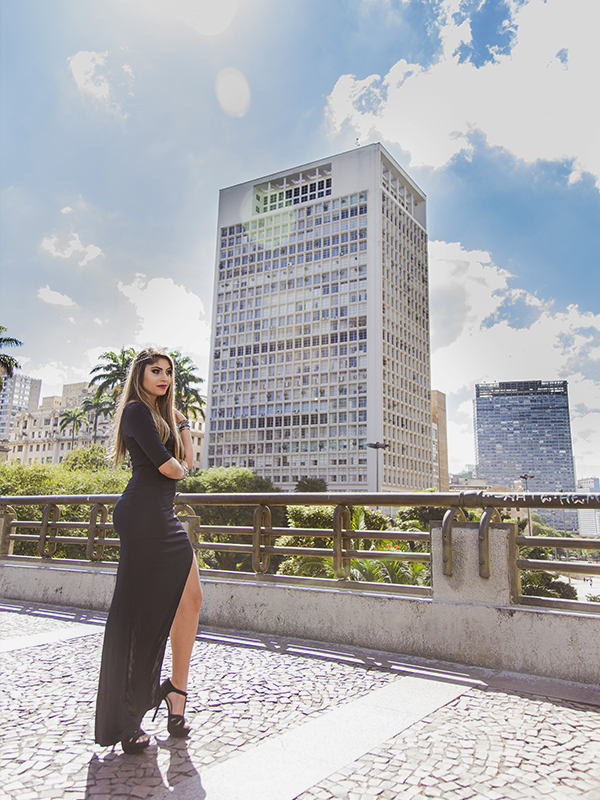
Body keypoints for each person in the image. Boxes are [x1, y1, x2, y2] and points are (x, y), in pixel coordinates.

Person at [95, 348, 203, 754]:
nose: (164, 377)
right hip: (142, 515)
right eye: (155, 370)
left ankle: (176, 692)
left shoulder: (163, 416)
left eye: (169, 372)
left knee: (191, 599)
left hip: (163, 515)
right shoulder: (136, 412)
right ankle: (126, 717)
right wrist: (178, 464)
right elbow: (170, 468)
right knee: (139, 614)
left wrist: (183, 425)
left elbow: (187, 462)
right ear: (139, 374)